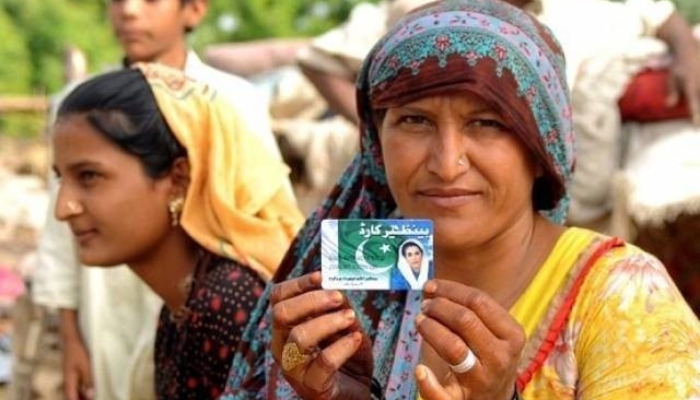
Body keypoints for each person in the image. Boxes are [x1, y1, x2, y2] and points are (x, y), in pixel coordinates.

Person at [220, 1, 700, 399]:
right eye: (414, 121)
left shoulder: (625, 298)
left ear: (541, 150)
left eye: (487, 123)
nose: (447, 164)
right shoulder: (361, 267)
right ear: (375, 143)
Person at [30, 1, 288, 400]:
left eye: (90, 177)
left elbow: (260, 202)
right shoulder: (181, 309)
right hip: (114, 309)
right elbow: (57, 245)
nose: (130, 11)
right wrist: (70, 336)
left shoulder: (225, 308)